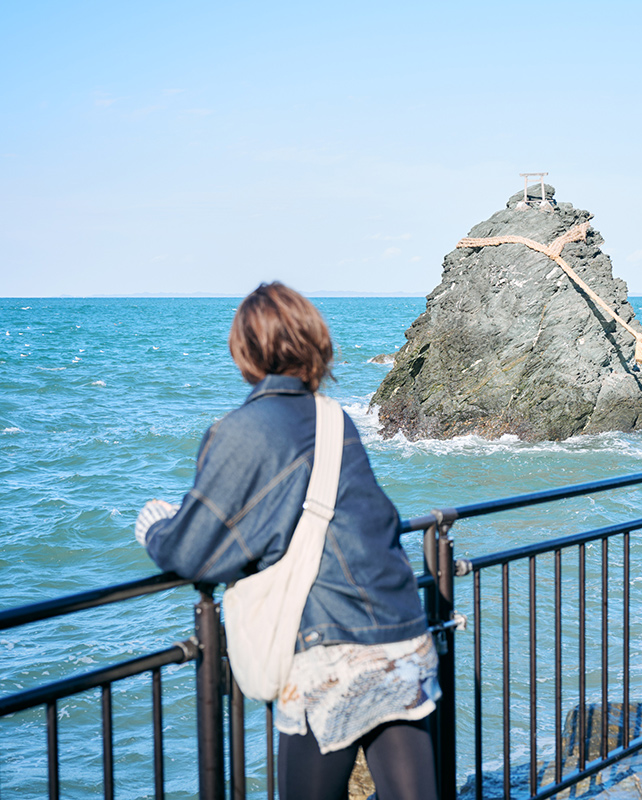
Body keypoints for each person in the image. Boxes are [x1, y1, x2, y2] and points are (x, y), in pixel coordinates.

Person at [135, 282, 438, 800]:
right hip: (401, 631)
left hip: (331, 652)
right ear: (313, 343)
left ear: (245, 351)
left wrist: (156, 525)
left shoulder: (240, 429)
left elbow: (193, 552)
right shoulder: (333, 417)